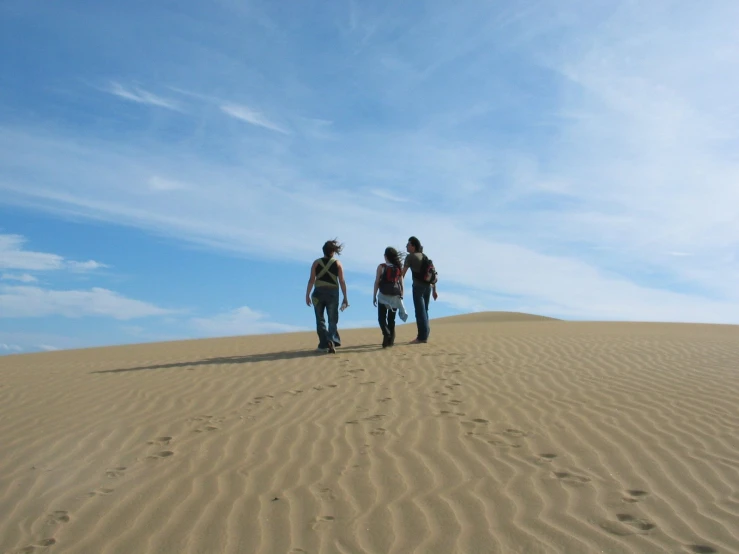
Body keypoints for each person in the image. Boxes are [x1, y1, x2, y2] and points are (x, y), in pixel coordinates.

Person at [305, 239, 349, 353]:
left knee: (320, 320)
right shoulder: (338, 263)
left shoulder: (316, 263)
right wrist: (345, 297)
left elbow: (311, 280)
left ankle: (323, 344)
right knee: (332, 320)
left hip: (318, 293)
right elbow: (342, 281)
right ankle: (331, 339)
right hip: (333, 293)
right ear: (333, 251)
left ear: (323, 251)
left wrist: (307, 294)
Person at [402, 236, 438, 343]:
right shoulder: (424, 256)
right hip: (428, 287)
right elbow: (433, 273)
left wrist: (398, 286)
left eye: (408, 244)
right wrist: (435, 290)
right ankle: (425, 335)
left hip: (418, 287)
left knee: (419, 311)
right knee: (425, 310)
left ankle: (422, 337)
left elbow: (402, 274)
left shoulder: (410, 257)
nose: (406, 246)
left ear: (413, 246)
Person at [372, 247, 409, 348]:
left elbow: (376, 282)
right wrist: (402, 294)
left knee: (381, 318)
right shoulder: (398, 267)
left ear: (385, 256)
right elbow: (402, 283)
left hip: (383, 295)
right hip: (395, 296)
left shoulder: (381, 267)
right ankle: (390, 341)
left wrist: (374, 296)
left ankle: (386, 334)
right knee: (391, 319)